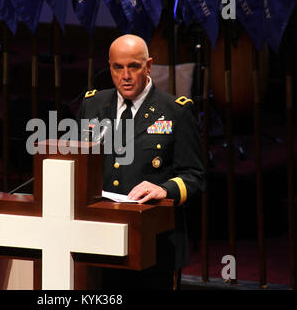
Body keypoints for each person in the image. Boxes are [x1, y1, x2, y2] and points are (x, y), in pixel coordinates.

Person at [77, 34, 205, 289]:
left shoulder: (175, 111)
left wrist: (164, 189)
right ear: (110, 66)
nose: (125, 75)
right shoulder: (93, 105)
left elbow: (194, 175)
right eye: (118, 67)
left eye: (133, 67)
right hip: (100, 240)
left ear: (148, 66)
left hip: (154, 245)